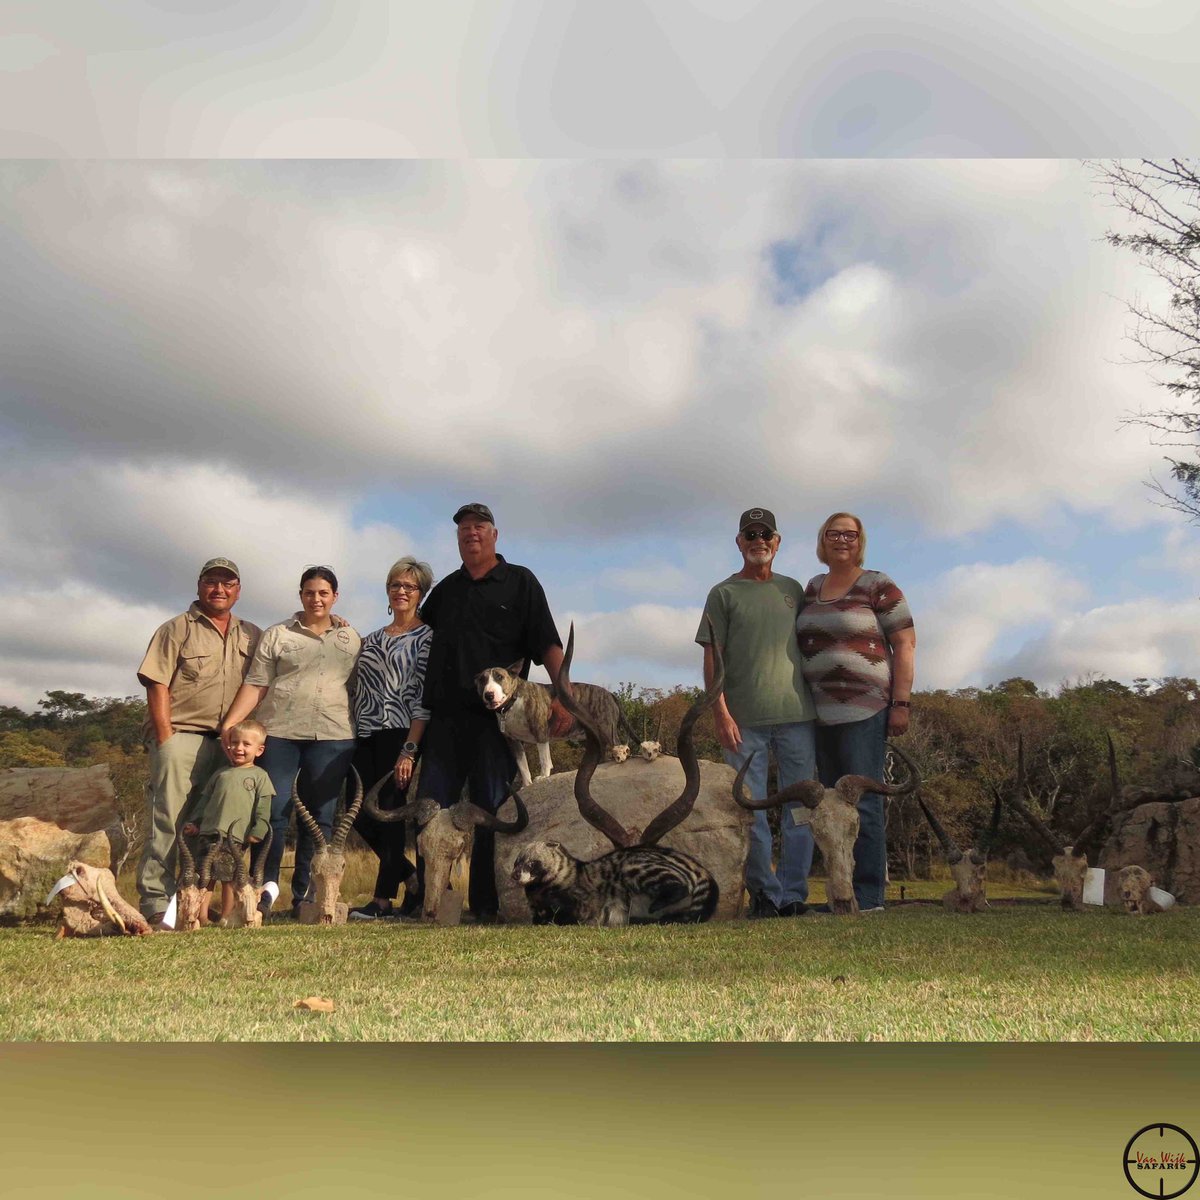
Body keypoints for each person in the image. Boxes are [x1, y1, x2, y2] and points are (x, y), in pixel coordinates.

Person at [416, 502, 570, 922]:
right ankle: (430, 902)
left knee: (490, 807)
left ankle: (486, 904)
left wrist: (564, 695)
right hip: (445, 716)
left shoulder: (520, 581)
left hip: (500, 720)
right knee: (430, 808)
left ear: (495, 534)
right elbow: (413, 635)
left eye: (479, 526)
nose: (471, 534)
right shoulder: (445, 591)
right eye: (464, 528)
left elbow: (547, 643)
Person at [696, 507, 818, 919]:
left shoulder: (794, 590)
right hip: (743, 722)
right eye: (750, 534)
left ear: (778, 542)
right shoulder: (723, 594)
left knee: (801, 809)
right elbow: (714, 659)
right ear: (739, 542)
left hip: (798, 716)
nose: (758, 541)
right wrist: (720, 713)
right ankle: (765, 896)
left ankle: (793, 895)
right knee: (752, 810)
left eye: (766, 534)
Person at [220, 566, 361, 918]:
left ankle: (308, 898)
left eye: (324, 593)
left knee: (321, 820)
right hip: (280, 732)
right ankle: (265, 893)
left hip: (333, 736)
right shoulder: (278, 634)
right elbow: (257, 683)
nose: (317, 599)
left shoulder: (350, 638)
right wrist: (231, 724)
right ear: (301, 595)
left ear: (335, 597)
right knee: (274, 814)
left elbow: (358, 686)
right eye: (310, 592)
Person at [795, 512, 916, 913]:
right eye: (834, 533)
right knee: (831, 809)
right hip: (818, 714)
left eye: (850, 534)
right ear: (822, 540)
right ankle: (839, 892)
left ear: (860, 540)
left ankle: (869, 896)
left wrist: (901, 703)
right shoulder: (812, 588)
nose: (841, 540)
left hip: (866, 711)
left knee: (863, 804)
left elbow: (906, 644)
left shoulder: (878, 584)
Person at [135, 557, 262, 926]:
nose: (219, 589)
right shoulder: (176, 628)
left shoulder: (252, 633)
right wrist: (165, 738)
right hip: (181, 736)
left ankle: (196, 906)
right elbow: (157, 682)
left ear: (238, 590)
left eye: (228, 583)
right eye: (211, 581)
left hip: (230, 744)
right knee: (170, 821)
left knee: (216, 826)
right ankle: (157, 904)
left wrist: (335, 623)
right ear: (199, 586)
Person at [347, 556, 434, 921]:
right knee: (358, 816)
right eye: (396, 585)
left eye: (409, 586)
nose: (401, 591)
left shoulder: (428, 637)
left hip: (402, 734)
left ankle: (382, 901)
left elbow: (423, 698)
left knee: (389, 814)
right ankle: (411, 877)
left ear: (421, 593)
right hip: (365, 734)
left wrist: (409, 750)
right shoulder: (368, 640)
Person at [180, 718, 273, 925]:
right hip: (209, 833)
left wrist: (259, 829)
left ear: (259, 750)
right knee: (205, 875)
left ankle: (226, 916)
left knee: (230, 878)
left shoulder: (260, 776)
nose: (238, 748)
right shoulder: (219, 774)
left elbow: (264, 807)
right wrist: (195, 822)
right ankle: (201, 916)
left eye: (246, 744)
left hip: (236, 837)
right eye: (234, 743)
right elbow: (204, 802)